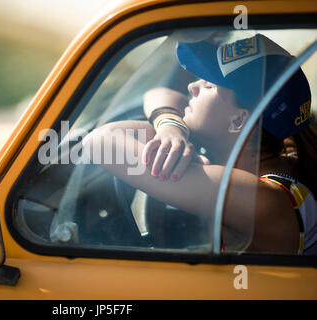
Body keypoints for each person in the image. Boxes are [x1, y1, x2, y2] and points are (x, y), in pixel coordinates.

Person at [82, 33, 317, 254]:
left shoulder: (261, 199)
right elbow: (160, 94)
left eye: (208, 85)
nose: (191, 87)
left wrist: (172, 130)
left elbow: (101, 142)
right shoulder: (273, 167)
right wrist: (170, 126)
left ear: (238, 119)